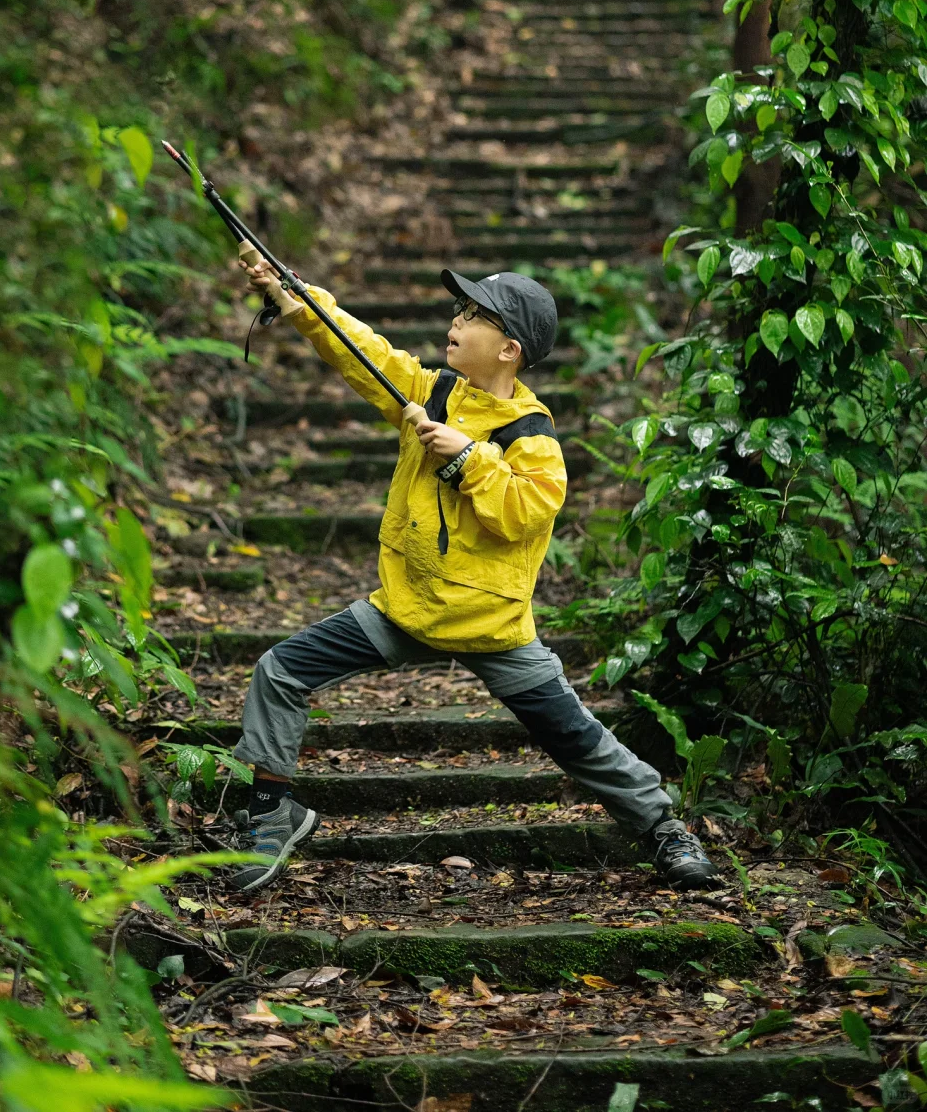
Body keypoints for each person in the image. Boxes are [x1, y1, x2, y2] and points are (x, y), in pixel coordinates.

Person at [227, 258, 720, 895]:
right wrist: (293, 295)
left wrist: (467, 457)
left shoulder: (531, 434)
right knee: (280, 670)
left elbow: (525, 512)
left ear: (509, 351)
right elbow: (359, 349)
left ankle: (661, 826)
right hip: (408, 606)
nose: (456, 323)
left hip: (493, 624)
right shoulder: (430, 392)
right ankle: (272, 813)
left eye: (474, 318)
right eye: (459, 313)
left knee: (574, 738)